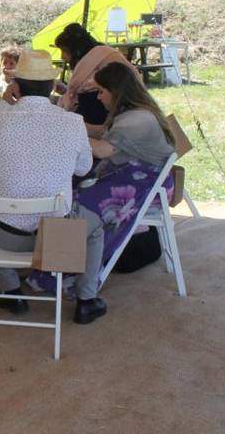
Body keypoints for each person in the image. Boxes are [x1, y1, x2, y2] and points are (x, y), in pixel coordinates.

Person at [0, 50, 99, 320]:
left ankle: (11, 292)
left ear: (16, 85)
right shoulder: (73, 122)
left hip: (6, 238)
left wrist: (3, 104)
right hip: (56, 237)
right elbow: (83, 168)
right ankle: (86, 300)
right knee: (94, 230)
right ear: (51, 87)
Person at [74, 61, 176, 281]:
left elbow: (102, 150)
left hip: (148, 186)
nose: (99, 97)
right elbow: (104, 132)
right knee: (80, 193)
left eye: (101, 92)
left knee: (81, 204)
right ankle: (79, 259)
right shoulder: (135, 114)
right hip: (145, 178)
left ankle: (75, 265)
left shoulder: (136, 121)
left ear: (116, 91)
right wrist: (74, 122)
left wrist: (70, 132)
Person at [54, 23, 135, 124]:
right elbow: (81, 90)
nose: (62, 56)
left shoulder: (97, 56)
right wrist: (66, 91)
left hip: (110, 112)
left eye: (64, 51)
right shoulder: (97, 53)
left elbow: (93, 92)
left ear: (76, 50)